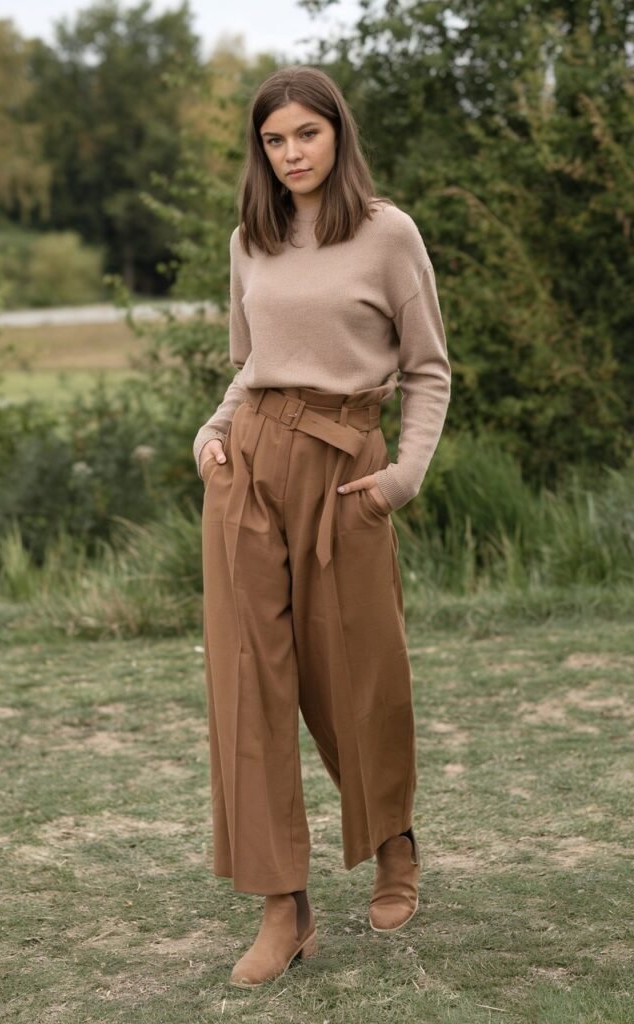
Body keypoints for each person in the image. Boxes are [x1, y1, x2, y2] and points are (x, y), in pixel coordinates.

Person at [192, 65, 451, 988]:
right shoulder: (249, 240)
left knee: (357, 672)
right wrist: (214, 430)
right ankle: (282, 903)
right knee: (249, 683)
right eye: (273, 139)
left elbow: (428, 370)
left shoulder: (387, 234)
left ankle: (392, 840)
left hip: (349, 474)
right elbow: (254, 364)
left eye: (306, 133)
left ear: (337, 134)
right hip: (251, 464)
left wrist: (402, 479)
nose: (291, 153)